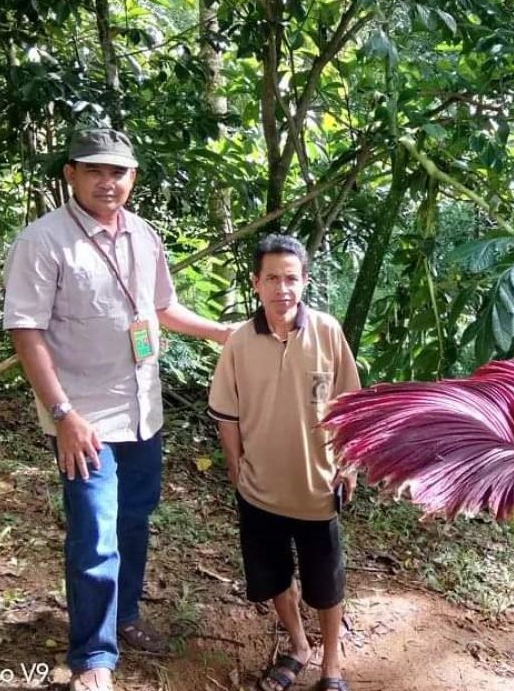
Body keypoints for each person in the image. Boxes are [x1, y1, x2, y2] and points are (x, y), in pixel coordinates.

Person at [2, 128, 239, 691]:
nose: (108, 182)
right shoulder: (44, 242)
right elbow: (26, 331)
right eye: (94, 171)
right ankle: (93, 658)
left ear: (132, 177)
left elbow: (162, 308)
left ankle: (123, 615)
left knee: (133, 523)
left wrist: (223, 333)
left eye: (119, 172)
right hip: (83, 419)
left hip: (143, 414)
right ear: (71, 175)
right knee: (95, 534)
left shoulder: (143, 234)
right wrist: (62, 414)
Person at [207, 234, 360, 691]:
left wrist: (348, 464)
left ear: (305, 282)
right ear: (256, 283)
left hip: (316, 489)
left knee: (326, 584)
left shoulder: (328, 332)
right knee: (274, 576)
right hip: (260, 491)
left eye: (291, 278)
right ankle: (298, 646)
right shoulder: (238, 341)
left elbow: (348, 404)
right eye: (272, 278)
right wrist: (235, 468)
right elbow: (226, 412)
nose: (282, 289)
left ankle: (332, 663)